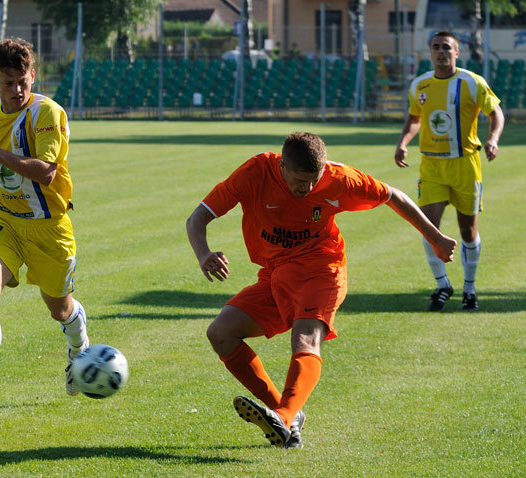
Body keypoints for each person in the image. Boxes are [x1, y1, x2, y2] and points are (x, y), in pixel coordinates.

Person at [186, 132, 456, 449]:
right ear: (282, 165)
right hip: (275, 274)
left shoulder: (338, 179)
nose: (308, 188)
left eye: (314, 180)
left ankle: (284, 416)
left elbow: (392, 195)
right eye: (300, 181)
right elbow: (198, 217)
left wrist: (435, 237)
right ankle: (286, 416)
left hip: (322, 269)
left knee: (305, 337)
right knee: (221, 332)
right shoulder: (256, 172)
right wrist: (204, 254)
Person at [0, 38, 89, 413]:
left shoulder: (48, 113)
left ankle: (79, 351)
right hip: (6, 221)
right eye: (8, 82)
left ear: (33, 74)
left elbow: (46, 173)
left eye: (23, 80)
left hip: (50, 227)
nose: (17, 90)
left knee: (59, 308)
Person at [394, 31, 504, 312]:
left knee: (468, 231)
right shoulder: (420, 84)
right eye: (436, 47)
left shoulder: (471, 82)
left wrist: (492, 139)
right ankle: (443, 285)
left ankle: (470, 288)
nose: (441, 52)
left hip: (465, 164)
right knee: (429, 229)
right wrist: (403, 143)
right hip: (431, 165)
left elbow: (496, 113)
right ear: (430, 53)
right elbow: (414, 118)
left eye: (446, 47)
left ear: (457, 52)